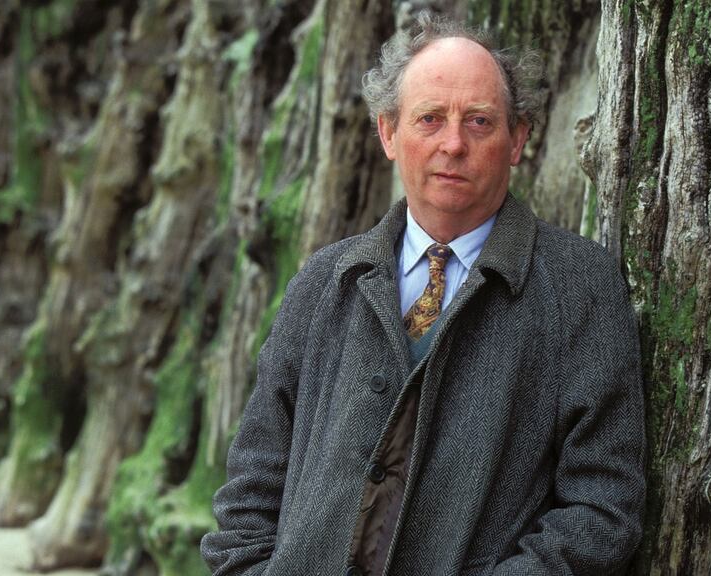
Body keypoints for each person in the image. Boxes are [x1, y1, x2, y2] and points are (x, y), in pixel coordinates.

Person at [201, 15, 645, 576]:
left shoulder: (579, 286)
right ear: (388, 132)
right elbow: (251, 488)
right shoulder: (323, 280)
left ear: (519, 138)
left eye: (479, 122)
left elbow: (602, 510)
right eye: (429, 119)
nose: (453, 144)